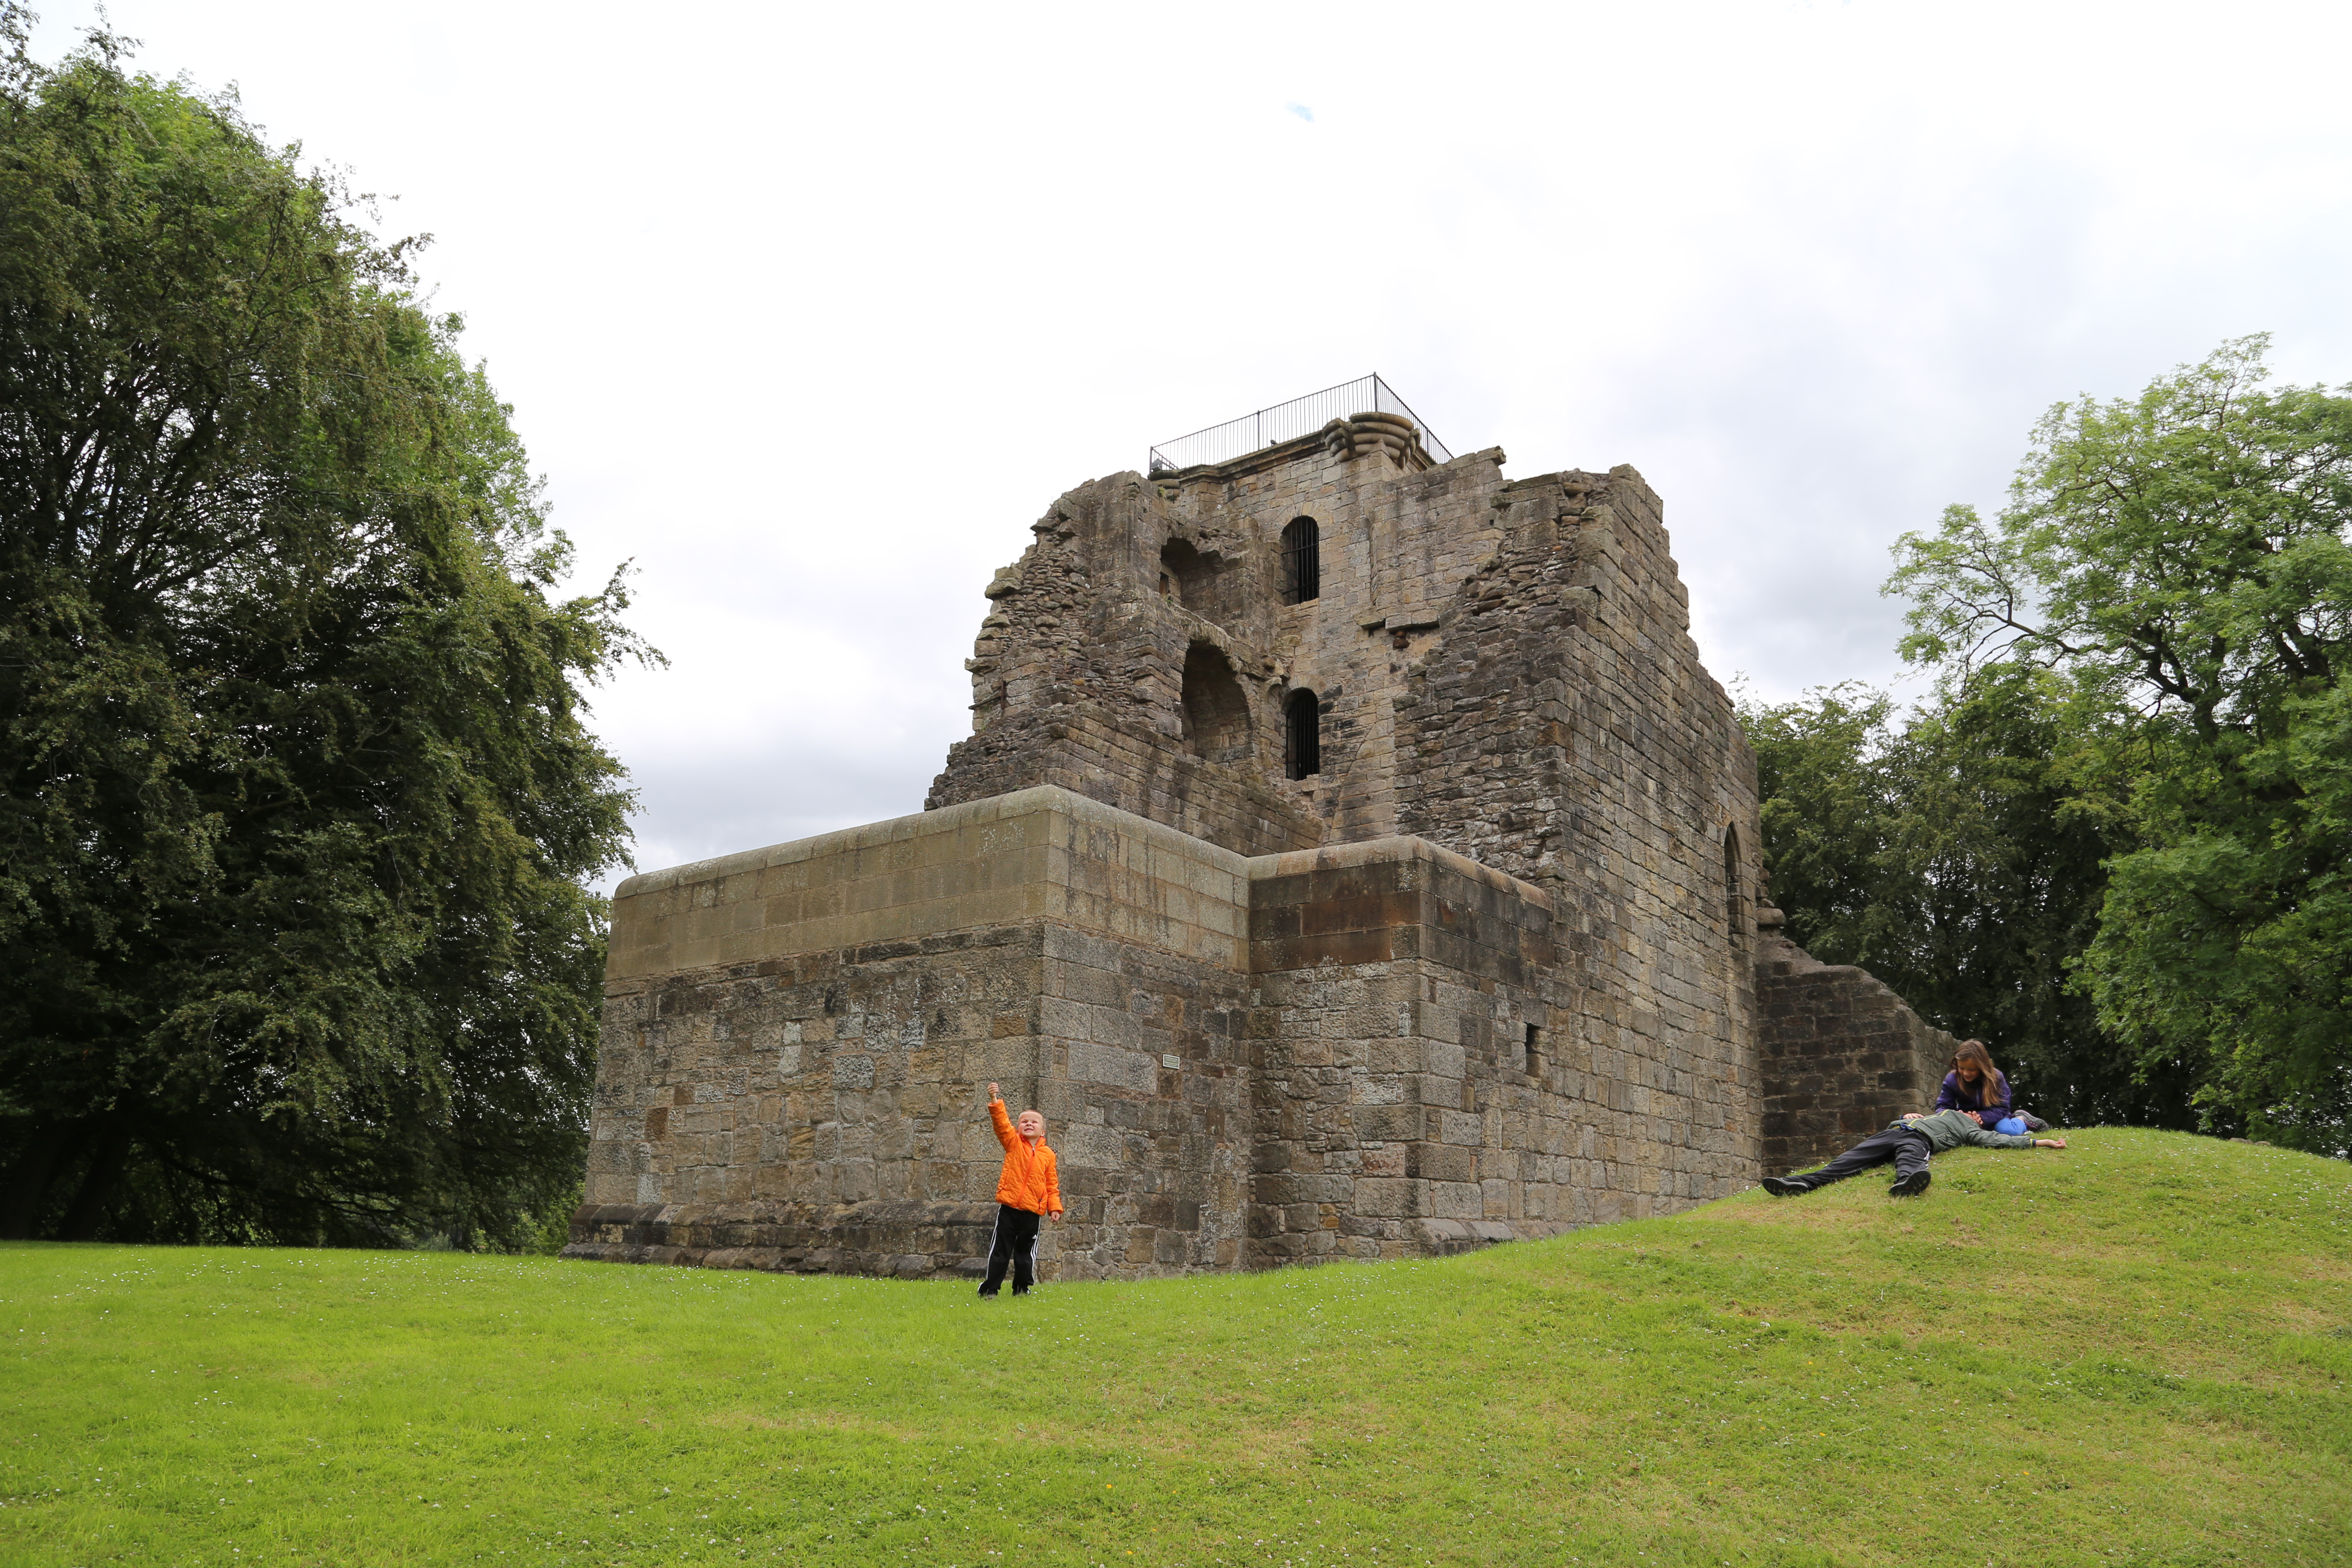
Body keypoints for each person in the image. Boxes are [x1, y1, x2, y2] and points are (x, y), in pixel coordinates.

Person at [1760, 1108, 2067, 1198]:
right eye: (1972, 1110)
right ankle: (1798, 1183)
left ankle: (1907, 1183)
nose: (1973, 1112)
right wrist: (1906, 1118)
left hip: (1919, 1141)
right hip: (1894, 1132)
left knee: (1909, 1161)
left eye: (1977, 1114)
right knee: (1846, 1161)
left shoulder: (1970, 1128)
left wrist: (2039, 1143)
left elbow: (1997, 1142)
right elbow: (1903, 1120)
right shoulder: (1940, 1112)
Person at [977, 1081, 1061, 1297]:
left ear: (1043, 1130)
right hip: (1009, 1209)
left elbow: (1052, 1184)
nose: (1029, 1124)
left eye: (1034, 1122)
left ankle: (1022, 1288)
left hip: (1033, 1213)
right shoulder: (1013, 1143)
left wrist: (1054, 1208)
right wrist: (995, 1100)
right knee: (1000, 1252)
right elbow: (1001, 1124)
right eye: (1024, 1121)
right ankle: (990, 1290)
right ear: (1019, 1127)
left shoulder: (1048, 1155)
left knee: (1026, 1255)